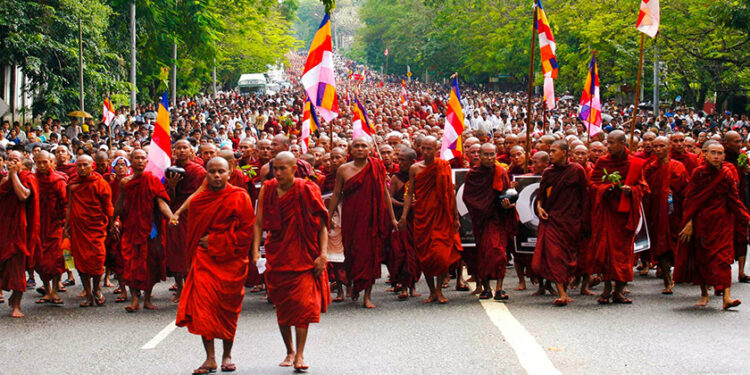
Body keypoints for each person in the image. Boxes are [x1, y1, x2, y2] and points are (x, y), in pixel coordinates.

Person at [175, 157, 254, 374]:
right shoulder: (199, 201)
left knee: (228, 309)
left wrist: (216, 241)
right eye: (212, 172)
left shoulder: (240, 197)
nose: (216, 176)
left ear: (230, 172)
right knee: (204, 307)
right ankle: (209, 358)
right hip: (204, 260)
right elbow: (193, 235)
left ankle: (227, 354)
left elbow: (246, 233)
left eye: (221, 171)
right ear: (206, 174)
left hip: (231, 262)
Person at [254, 152, 330, 371]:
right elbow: (258, 223)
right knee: (283, 306)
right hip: (278, 254)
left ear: (294, 169)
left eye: (282, 169)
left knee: (302, 306)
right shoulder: (267, 189)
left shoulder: (307, 188)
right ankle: (289, 350)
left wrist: (323, 254)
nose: (277, 173)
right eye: (274, 169)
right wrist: (256, 252)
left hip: (304, 256)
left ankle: (301, 354)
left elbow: (322, 224)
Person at [675, 142, 750, 309]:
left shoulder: (726, 173)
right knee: (702, 258)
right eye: (713, 153)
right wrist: (689, 223)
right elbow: (691, 200)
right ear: (705, 154)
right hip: (702, 222)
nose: (717, 156)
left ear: (724, 156)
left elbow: (734, 199)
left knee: (723, 259)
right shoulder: (699, 173)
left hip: (722, 222)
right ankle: (704, 293)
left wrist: (746, 218)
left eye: (720, 153)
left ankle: (727, 297)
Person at [327, 137, 396, 308]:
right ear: (350, 150)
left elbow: (385, 193)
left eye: (363, 146)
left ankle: (367, 295)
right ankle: (355, 285)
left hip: (372, 217)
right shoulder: (343, 169)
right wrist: (328, 216)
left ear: (370, 149)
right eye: (356, 146)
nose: (360, 149)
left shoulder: (376, 166)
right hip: (351, 217)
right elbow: (336, 194)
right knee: (352, 252)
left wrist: (393, 217)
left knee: (370, 254)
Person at [399, 136, 462, 304]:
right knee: (425, 255)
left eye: (429, 149)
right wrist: (404, 216)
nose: (426, 152)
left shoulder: (443, 166)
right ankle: (432, 291)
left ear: (436, 149)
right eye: (423, 148)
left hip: (442, 215)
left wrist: (455, 217)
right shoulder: (415, 168)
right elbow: (410, 193)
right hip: (423, 216)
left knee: (441, 255)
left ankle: (440, 289)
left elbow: (450, 192)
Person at [588, 130, 648, 304]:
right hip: (607, 212)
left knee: (623, 253)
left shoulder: (635, 163)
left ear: (623, 143)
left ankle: (619, 291)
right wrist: (605, 188)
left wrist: (632, 190)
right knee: (606, 250)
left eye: (612, 143)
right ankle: (607, 289)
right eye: (608, 142)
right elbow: (593, 183)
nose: (609, 146)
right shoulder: (603, 161)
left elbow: (643, 186)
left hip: (624, 215)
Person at [115, 149, 173, 312]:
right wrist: (113, 220)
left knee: (149, 263)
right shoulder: (125, 182)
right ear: (131, 161)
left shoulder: (152, 180)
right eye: (137, 158)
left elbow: (161, 201)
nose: (140, 161)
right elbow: (120, 203)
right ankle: (134, 299)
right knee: (131, 263)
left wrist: (171, 216)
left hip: (150, 228)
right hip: (132, 227)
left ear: (147, 161)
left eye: (143, 158)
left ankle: (147, 299)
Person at [531, 141, 588, 306]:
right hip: (553, 219)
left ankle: (565, 287)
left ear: (564, 152)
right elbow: (541, 195)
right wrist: (539, 207)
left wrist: (584, 220)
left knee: (569, 256)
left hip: (571, 220)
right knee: (554, 255)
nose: (551, 154)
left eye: (554, 151)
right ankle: (562, 293)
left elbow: (584, 197)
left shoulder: (577, 171)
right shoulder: (549, 172)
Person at [462, 143, 517, 300]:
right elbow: (468, 197)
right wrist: (483, 208)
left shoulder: (501, 171)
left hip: (498, 218)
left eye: (492, 154)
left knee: (499, 251)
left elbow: (506, 193)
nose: (489, 158)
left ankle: (499, 288)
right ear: (480, 155)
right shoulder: (473, 174)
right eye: (486, 155)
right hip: (482, 219)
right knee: (483, 253)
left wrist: (508, 204)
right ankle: (486, 288)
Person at [66, 154, 113, 307]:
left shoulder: (99, 183)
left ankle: (97, 288)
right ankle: (87, 291)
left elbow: (108, 205)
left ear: (92, 166)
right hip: (78, 227)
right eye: (79, 165)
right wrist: (66, 225)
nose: (82, 168)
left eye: (85, 165)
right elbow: (70, 206)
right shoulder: (73, 184)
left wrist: (113, 223)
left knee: (98, 257)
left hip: (96, 226)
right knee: (80, 260)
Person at [642, 137, 688, 294]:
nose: (658, 149)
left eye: (662, 146)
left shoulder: (678, 167)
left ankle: (678, 273)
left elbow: (685, 190)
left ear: (668, 147)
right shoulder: (650, 167)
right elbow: (645, 188)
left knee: (676, 243)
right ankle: (668, 280)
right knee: (660, 244)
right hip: (656, 212)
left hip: (674, 212)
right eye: (655, 146)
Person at [166, 139, 206, 303]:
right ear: (174, 151)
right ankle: (179, 287)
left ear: (191, 151)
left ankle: (193, 287)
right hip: (175, 213)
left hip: (192, 215)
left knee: (192, 251)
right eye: (178, 148)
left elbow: (201, 195)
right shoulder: (170, 169)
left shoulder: (198, 171)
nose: (182, 151)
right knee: (176, 250)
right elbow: (169, 197)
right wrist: (172, 185)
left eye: (185, 148)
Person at [0, 151, 39, 317]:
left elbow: (23, 195)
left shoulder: (27, 178)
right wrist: (9, 176)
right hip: (3, 227)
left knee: (17, 266)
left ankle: (17, 304)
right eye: (9, 160)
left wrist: (14, 175)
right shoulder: (4, 180)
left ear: (22, 163)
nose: (11, 162)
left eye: (15, 160)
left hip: (19, 229)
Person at [388, 147, 422, 300]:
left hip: (417, 218)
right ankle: (402, 286)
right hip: (401, 218)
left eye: (403, 160)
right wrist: (403, 205)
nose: (399, 162)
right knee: (400, 251)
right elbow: (389, 199)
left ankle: (412, 285)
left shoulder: (419, 175)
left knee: (414, 252)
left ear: (412, 162)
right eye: (398, 159)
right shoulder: (396, 178)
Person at [33, 151, 67, 305]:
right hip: (37, 226)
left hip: (55, 226)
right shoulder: (32, 180)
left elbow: (65, 204)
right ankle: (47, 290)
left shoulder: (58, 181)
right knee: (39, 260)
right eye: (39, 163)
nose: (41, 166)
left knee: (55, 259)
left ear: (51, 162)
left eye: (44, 162)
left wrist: (65, 224)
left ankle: (54, 290)